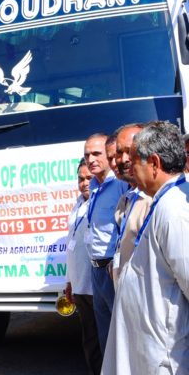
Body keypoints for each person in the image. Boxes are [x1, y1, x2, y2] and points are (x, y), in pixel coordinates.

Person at [103, 121, 189, 374]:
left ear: (154, 163)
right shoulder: (162, 202)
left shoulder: (175, 210)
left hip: (164, 353)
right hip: (148, 349)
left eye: (134, 160)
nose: (128, 166)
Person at [82, 133, 127, 355]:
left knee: (122, 336)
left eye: (96, 153)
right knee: (105, 337)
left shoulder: (120, 183)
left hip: (112, 268)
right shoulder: (93, 185)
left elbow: (126, 224)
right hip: (96, 269)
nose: (91, 159)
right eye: (87, 155)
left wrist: (117, 262)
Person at [63, 160, 102, 375]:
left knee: (102, 338)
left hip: (96, 285)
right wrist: (69, 281)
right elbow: (73, 245)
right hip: (80, 285)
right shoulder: (78, 204)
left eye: (89, 178)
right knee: (89, 338)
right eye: (81, 178)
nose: (84, 183)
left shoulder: (101, 202)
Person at [110, 124, 151, 288]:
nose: (124, 159)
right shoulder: (126, 199)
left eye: (130, 151)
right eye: (119, 152)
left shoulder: (155, 199)